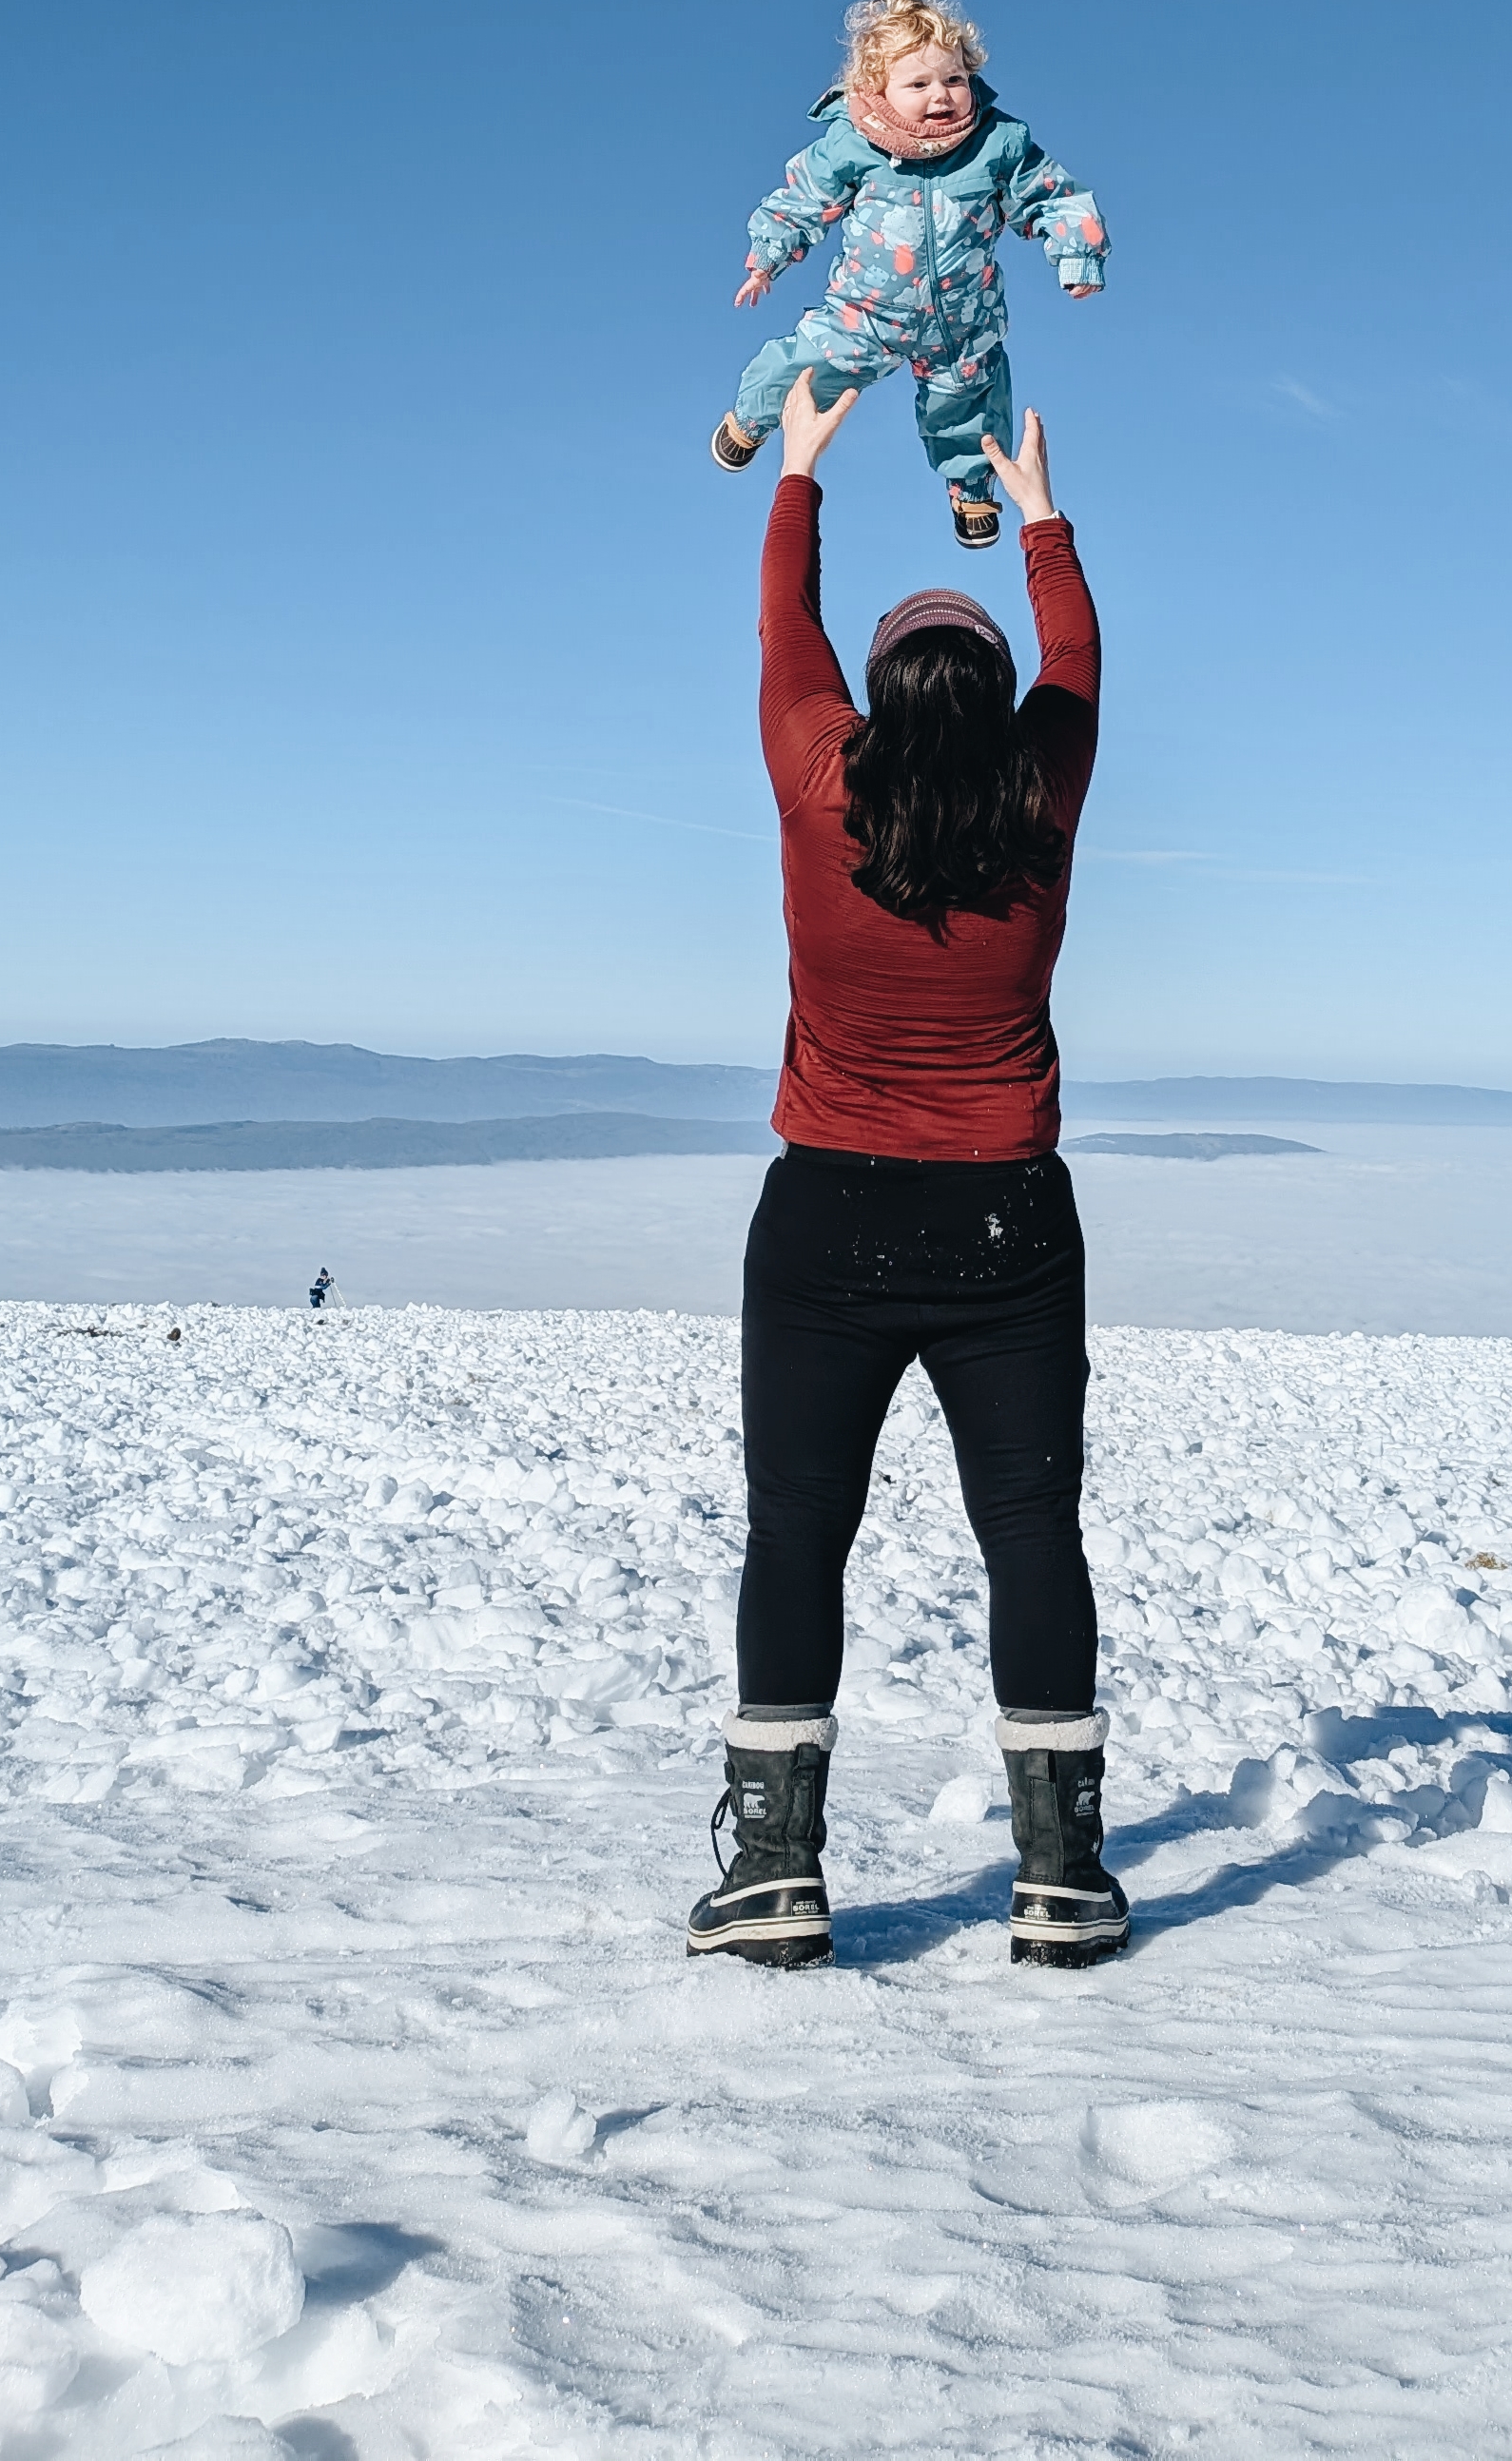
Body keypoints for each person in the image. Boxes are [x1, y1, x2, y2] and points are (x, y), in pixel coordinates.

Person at [687, 364, 1129, 1973]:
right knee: (1032, 1533)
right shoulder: (1044, 792)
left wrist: (796, 474)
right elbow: (1078, 656)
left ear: (879, 693)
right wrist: (1039, 512)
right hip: (1009, 1218)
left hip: (828, 1217)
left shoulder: (824, 781)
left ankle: (779, 1878)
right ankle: (1062, 1880)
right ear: (1002, 695)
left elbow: (780, 635)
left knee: (799, 1533)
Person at [711, 0, 1108, 552]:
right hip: (864, 313)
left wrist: (1076, 253)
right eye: (918, 84)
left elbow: (1053, 197)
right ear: (877, 90)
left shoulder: (998, 143)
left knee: (971, 405)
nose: (940, 95)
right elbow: (800, 199)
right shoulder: (851, 145)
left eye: (953, 79)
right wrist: (768, 256)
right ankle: (752, 416)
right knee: (800, 366)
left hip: (963, 322)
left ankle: (971, 487)